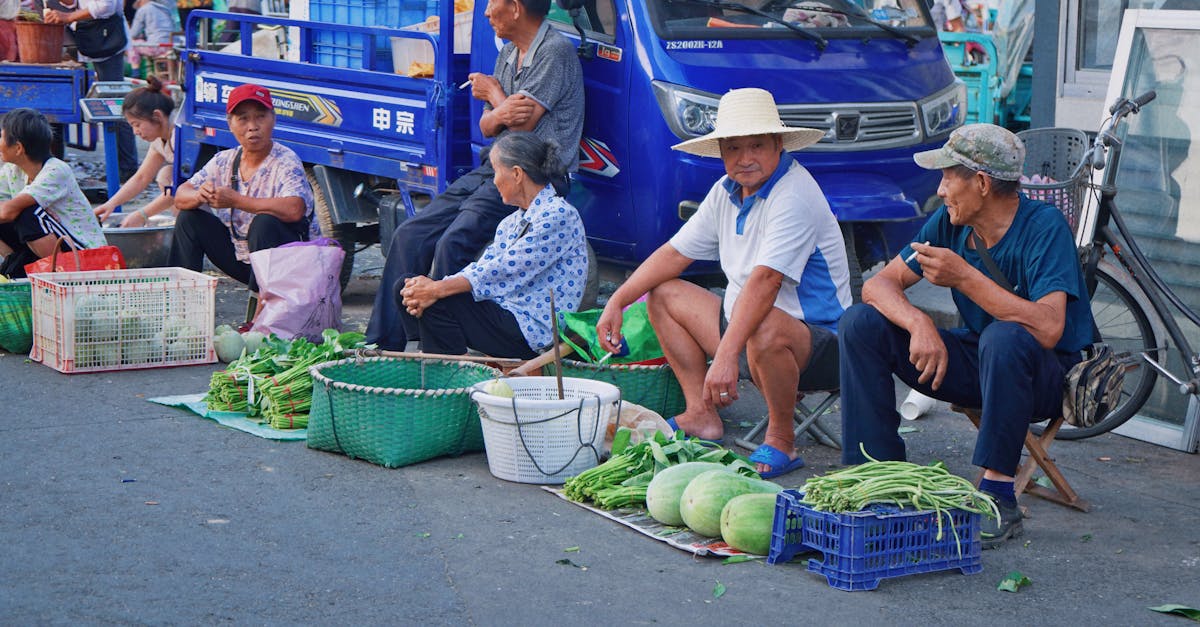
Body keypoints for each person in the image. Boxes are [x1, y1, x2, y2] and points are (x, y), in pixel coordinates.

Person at [838, 123, 1096, 548]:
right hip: (983, 361)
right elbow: (877, 286)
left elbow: (1049, 328)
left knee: (1006, 337)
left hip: (1046, 376)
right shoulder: (951, 221)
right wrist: (919, 323)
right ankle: (876, 478)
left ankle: (997, 496)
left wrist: (966, 277)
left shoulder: (1044, 226)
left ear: (980, 182)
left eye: (947, 177)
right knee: (860, 322)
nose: (940, 190)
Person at [595, 88, 851, 479]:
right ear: (721, 153)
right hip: (749, 332)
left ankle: (782, 437)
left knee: (765, 324)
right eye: (733, 149)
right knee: (663, 293)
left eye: (756, 146)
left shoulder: (794, 194)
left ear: (778, 144)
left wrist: (728, 355)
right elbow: (675, 255)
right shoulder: (726, 191)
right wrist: (618, 301)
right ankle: (700, 414)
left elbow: (766, 282)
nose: (745, 158)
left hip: (821, 344)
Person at [365, 0, 584, 350]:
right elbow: (487, 126)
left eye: (492, 2)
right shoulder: (509, 54)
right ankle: (383, 343)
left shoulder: (554, 52)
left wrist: (494, 93)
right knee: (411, 233)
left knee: (453, 242)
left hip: (532, 175)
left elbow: (523, 127)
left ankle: (436, 353)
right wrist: (501, 107)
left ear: (514, 7)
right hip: (495, 166)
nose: (484, 12)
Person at [397, 132, 587, 358]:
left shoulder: (559, 214)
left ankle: (446, 371)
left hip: (532, 334)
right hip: (504, 315)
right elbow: (485, 266)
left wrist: (437, 288)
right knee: (406, 286)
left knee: (440, 297)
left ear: (516, 174)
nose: (494, 181)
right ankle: (443, 361)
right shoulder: (512, 221)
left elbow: (504, 270)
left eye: (496, 172)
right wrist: (429, 288)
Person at [169, 83, 319, 294]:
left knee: (264, 222)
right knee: (189, 219)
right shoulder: (224, 160)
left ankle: (262, 309)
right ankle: (181, 301)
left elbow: (295, 209)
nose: (252, 126)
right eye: (243, 119)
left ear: (273, 120)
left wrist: (236, 200)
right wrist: (199, 195)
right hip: (244, 259)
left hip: (288, 266)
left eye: (260, 117)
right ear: (230, 124)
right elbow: (181, 195)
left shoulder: (286, 160)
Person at [0, 108, 108, 278]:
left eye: (1, 136)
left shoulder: (56, 170)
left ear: (18, 148)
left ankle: (57, 275)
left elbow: (7, 211)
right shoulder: (12, 171)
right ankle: (18, 264)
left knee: (27, 214)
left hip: (83, 253)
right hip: (47, 243)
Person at [45, 0, 140, 181]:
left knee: (115, 105)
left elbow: (106, 6)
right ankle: (54, 166)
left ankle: (126, 168)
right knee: (59, 101)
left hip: (105, 39)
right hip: (77, 37)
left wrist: (68, 16)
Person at [93, 75, 177, 227]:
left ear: (157, 116)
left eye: (137, 124)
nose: (135, 132)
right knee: (166, 175)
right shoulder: (159, 139)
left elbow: (179, 186)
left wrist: (142, 214)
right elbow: (141, 177)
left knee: (168, 175)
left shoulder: (180, 135)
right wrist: (111, 204)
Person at [125, 0, 175, 69]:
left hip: (157, 47)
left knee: (131, 44)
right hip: (172, 46)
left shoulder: (143, 9)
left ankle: (135, 73)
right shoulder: (165, 9)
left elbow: (133, 34)